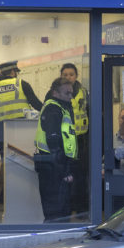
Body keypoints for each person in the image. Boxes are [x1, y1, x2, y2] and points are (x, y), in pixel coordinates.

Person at [46, 63, 89, 215]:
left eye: (71, 74)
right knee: (65, 174)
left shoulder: (83, 91)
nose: (68, 77)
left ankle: (81, 207)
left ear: (76, 76)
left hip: (81, 138)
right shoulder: (54, 93)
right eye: (65, 74)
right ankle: (67, 207)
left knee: (80, 175)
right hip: (63, 139)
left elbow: (89, 112)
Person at [34, 77, 77, 222]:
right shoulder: (53, 109)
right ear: (55, 93)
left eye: (72, 93)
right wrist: (65, 172)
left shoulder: (60, 108)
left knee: (61, 212)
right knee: (56, 214)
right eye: (67, 93)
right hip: (53, 168)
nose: (71, 97)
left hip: (55, 167)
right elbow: (54, 144)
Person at [0, 60, 43, 155]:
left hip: (2, 130)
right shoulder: (22, 84)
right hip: (22, 128)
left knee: (5, 159)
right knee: (23, 157)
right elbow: (36, 104)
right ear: (13, 72)